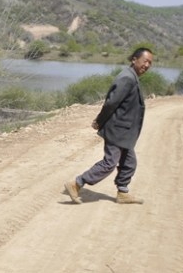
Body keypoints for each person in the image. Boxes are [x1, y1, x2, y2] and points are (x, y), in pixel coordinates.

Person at [64, 47, 154, 205]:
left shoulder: (132, 76)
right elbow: (111, 102)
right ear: (134, 59)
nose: (147, 65)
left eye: (150, 63)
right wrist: (99, 120)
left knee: (129, 162)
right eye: (145, 61)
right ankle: (76, 183)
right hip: (117, 130)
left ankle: (123, 192)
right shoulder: (127, 77)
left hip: (125, 132)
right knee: (110, 163)